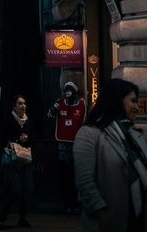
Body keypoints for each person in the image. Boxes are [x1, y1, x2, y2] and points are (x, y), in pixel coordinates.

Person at [73, 77, 147, 232]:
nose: (136, 107)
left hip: (140, 221)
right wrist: (101, 213)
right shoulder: (89, 134)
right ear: (117, 101)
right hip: (107, 223)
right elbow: (85, 182)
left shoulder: (135, 136)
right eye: (133, 101)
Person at [48, 81, 86, 215]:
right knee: (65, 175)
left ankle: (76, 202)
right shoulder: (60, 102)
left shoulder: (82, 104)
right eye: (65, 90)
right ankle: (66, 203)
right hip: (63, 145)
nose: (67, 92)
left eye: (69, 90)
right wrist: (55, 106)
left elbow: (85, 123)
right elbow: (50, 115)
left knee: (76, 175)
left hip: (77, 144)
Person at [0, 94, 35, 228]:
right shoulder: (8, 120)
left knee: (26, 189)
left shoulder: (29, 121)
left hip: (25, 159)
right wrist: (17, 139)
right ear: (14, 106)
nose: (23, 106)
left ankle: (22, 217)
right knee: (16, 189)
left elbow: (34, 138)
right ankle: (6, 208)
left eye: (24, 103)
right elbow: (2, 138)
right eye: (20, 103)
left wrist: (28, 139)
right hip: (11, 159)